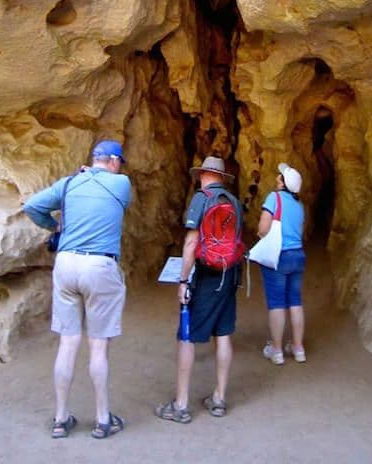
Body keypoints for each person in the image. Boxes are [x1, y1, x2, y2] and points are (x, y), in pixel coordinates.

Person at [23, 140, 131, 439]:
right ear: (112, 161)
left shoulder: (69, 184)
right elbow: (109, 188)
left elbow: (32, 207)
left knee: (68, 343)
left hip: (66, 265)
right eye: (119, 161)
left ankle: (60, 419)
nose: (120, 167)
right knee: (98, 346)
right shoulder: (121, 184)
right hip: (99, 267)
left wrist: (55, 227)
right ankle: (102, 419)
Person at [155, 155, 244, 423]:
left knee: (187, 336)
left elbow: (192, 243)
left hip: (205, 277)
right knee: (224, 333)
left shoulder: (201, 199)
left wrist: (183, 280)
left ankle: (180, 405)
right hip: (229, 276)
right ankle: (219, 398)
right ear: (223, 178)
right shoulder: (236, 203)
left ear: (203, 174)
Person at [258, 163, 306, 365]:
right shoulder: (299, 206)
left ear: (284, 183)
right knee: (295, 301)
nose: (277, 177)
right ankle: (298, 348)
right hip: (297, 255)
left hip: (278, 256)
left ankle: (277, 350)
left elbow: (263, 227)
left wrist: (261, 236)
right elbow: (300, 232)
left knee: (277, 302)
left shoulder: (274, 198)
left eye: (280, 176)